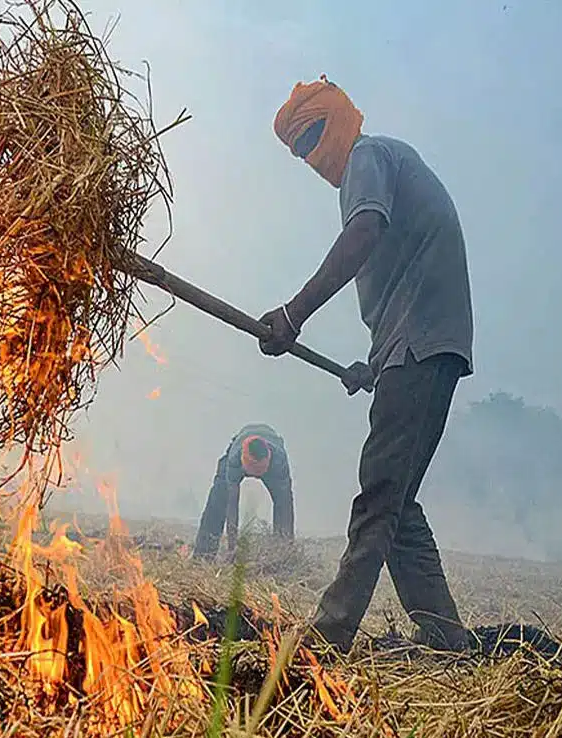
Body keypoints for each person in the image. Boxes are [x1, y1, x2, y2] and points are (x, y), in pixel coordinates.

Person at [257, 76, 476, 655]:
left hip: (420, 346)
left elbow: (364, 234)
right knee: (397, 502)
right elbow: (404, 277)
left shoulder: (368, 156)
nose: (310, 156)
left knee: (379, 494)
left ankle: (326, 640)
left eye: (311, 138)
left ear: (337, 119)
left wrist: (293, 312)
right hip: (414, 350)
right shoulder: (380, 163)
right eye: (299, 150)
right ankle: (449, 640)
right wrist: (372, 368)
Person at [193, 423, 294, 559]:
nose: (256, 476)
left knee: (284, 507)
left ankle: (283, 556)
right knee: (218, 497)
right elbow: (231, 504)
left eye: (260, 471)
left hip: (272, 452)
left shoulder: (278, 462)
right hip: (241, 444)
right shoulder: (235, 459)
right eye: (253, 471)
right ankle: (203, 555)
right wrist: (232, 547)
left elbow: (285, 507)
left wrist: (285, 548)